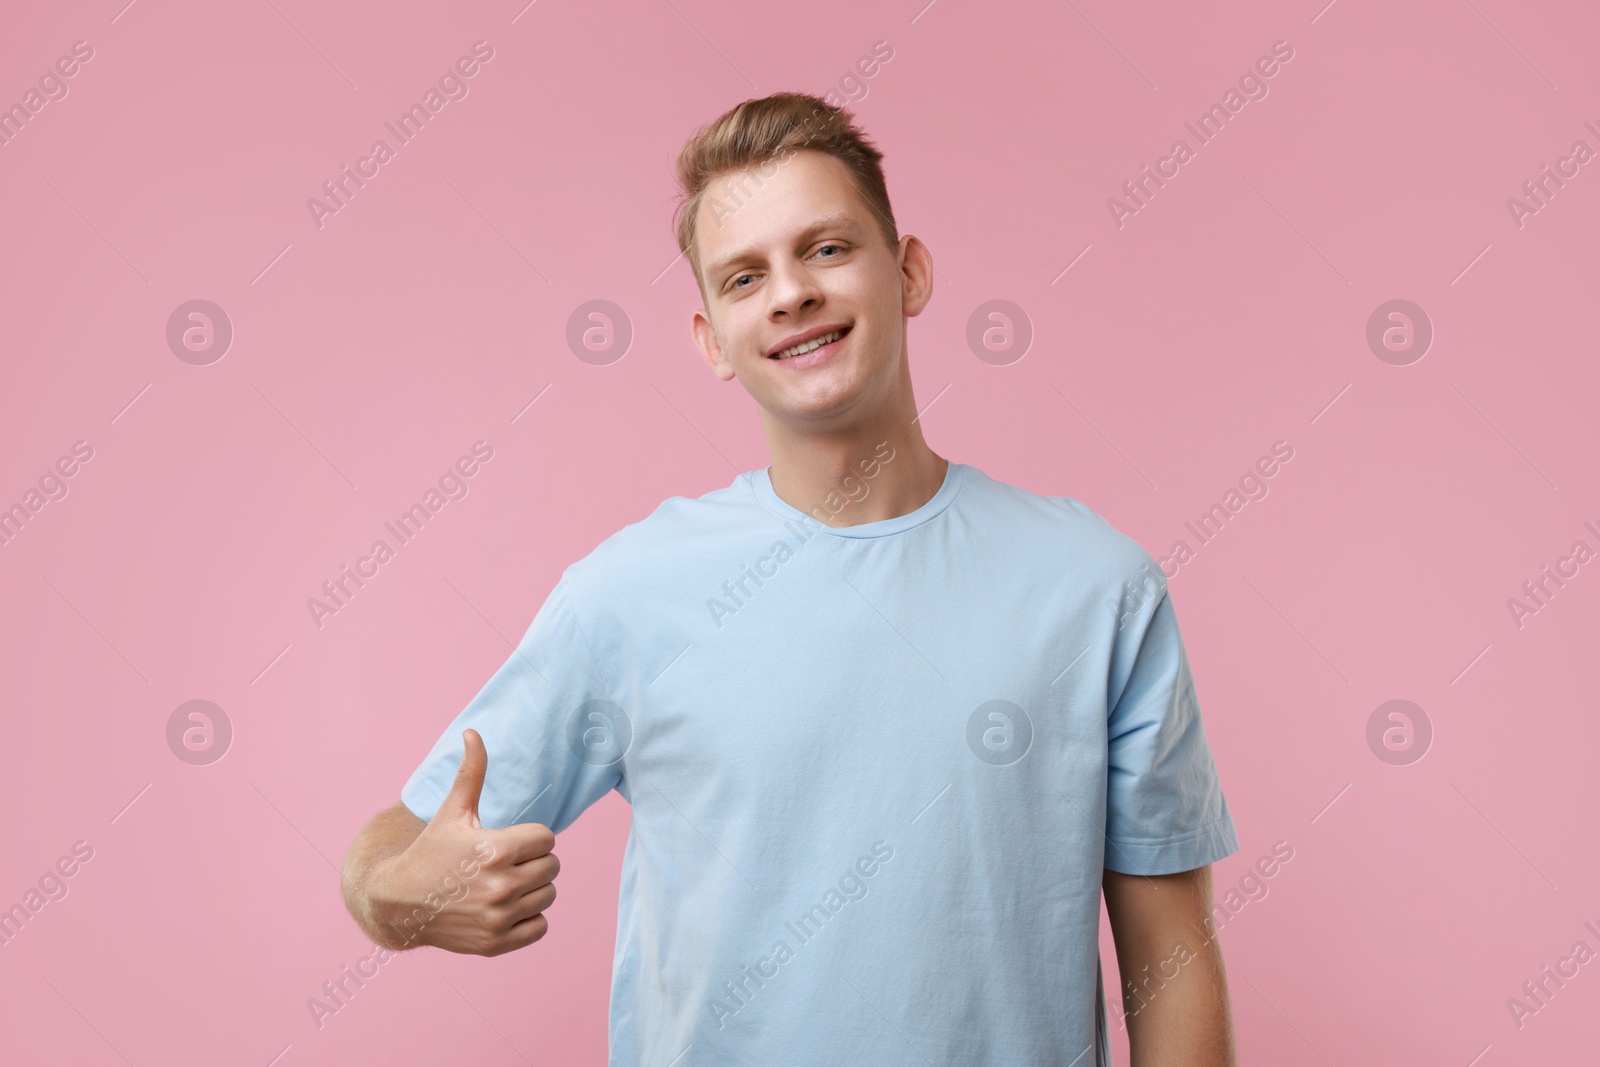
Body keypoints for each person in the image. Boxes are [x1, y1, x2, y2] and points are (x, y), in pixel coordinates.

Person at [341, 91, 1241, 1066]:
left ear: (910, 272)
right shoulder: (629, 593)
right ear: (711, 340)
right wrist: (390, 897)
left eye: (825, 249)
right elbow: (395, 846)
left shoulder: (1096, 588)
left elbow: (1172, 951)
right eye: (743, 277)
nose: (789, 293)